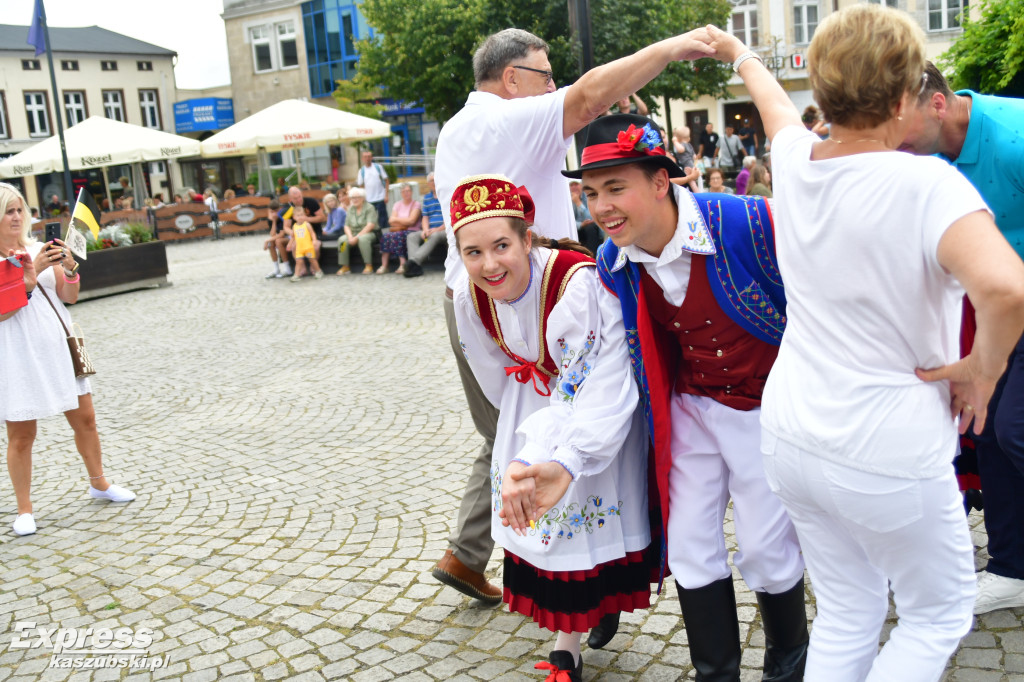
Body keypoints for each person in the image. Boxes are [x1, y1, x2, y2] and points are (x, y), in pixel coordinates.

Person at [708, 7, 1024, 679]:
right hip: (886, 446)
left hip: (791, 432)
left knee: (849, 610)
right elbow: (1008, 291)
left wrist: (740, 52)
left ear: (821, 90)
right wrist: (982, 370)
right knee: (937, 614)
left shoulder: (795, 162)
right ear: (909, 94)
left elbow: (772, 106)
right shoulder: (927, 184)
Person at [431, 25, 717, 612]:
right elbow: (590, 96)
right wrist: (670, 48)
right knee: (548, 424)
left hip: (484, 292)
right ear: (513, 79)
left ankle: (480, 552)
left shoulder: (462, 127)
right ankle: (565, 571)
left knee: (517, 425)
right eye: (544, 75)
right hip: (525, 292)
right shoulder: (504, 118)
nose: (553, 87)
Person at [577, 113, 807, 681]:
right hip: (691, 409)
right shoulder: (612, 261)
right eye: (590, 193)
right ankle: (716, 674)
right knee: (689, 546)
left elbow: (824, 290)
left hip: (765, 410)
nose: (601, 207)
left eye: (615, 188)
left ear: (661, 182)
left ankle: (788, 665)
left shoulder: (751, 221)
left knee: (764, 548)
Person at [450, 174, 650, 682]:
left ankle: (569, 648)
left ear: (527, 237)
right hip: (533, 401)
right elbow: (491, 370)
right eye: (473, 252)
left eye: (501, 245)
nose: (489, 264)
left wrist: (553, 447)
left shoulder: (574, 283)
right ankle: (574, 636)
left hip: (589, 406)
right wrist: (519, 432)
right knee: (547, 527)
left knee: (576, 513)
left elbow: (591, 378)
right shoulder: (467, 297)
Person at [901, 61, 1024, 615]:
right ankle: (1011, 567)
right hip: (1002, 308)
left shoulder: (1015, 140)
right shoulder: (925, 155)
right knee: (990, 432)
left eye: (898, 126)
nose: (892, 142)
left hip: (1013, 300)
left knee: (1015, 429)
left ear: (937, 105)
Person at [0, 183, 136, 537]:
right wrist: (29, 278)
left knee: (86, 418)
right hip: (16, 349)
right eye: (7, 211)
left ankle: (99, 483)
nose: (15, 217)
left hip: (58, 343)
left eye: (18, 210)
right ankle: (24, 510)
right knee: (21, 433)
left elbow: (69, 296)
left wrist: (70, 269)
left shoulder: (40, 247)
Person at [403, 173, 445, 278]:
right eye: (431, 180)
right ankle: (415, 268)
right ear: (428, 184)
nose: (433, 182)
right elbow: (425, 217)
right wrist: (425, 230)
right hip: (430, 230)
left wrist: (437, 229)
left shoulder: (445, 196)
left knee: (435, 235)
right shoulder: (427, 198)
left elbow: (450, 219)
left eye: (435, 180)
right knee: (411, 236)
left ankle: (412, 262)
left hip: (444, 231)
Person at [281, 186, 326, 279]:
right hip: (299, 234)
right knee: (294, 246)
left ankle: (314, 267)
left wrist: (307, 219)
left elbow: (322, 217)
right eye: (295, 198)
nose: (298, 200)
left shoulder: (311, 202)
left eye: (299, 197)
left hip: (314, 231)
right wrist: (292, 233)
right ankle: (302, 269)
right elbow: (286, 226)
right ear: (290, 199)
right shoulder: (289, 209)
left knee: (315, 246)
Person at [379, 182, 420, 275]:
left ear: (411, 192)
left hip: (412, 230)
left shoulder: (416, 204)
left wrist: (397, 219)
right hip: (399, 229)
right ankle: (384, 265)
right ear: (401, 193)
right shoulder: (397, 204)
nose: (406, 193)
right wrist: (405, 220)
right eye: (403, 191)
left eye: (408, 191)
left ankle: (403, 263)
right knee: (385, 236)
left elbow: (412, 221)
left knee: (399, 236)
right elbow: (391, 221)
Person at [338, 187, 378, 275]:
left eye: (357, 197)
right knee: (342, 240)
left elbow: (370, 225)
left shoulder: (369, 207)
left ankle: (368, 265)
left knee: (363, 239)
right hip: (353, 233)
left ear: (363, 198)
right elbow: (346, 226)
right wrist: (350, 237)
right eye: (352, 198)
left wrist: (357, 237)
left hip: (369, 232)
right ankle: (345, 266)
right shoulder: (351, 209)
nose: (355, 200)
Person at [285, 204, 323, 281]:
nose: (300, 217)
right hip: (299, 248)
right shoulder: (294, 226)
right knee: (298, 261)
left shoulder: (307, 224)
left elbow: (312, 233)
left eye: (302, 215)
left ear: (304, 215)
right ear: (294, 217)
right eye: (298, 215)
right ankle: (296, 275)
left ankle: (319, 271)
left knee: (312, 259)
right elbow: (293, 237)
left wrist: (314, 240)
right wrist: (290, 244)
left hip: (308, 247)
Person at [356, 150, 390, 230]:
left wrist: (386, 195)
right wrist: (363, 199)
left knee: (383, 220)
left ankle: (385, 236)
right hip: (369, 200)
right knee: (371, 220)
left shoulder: (378, 167)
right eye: (365, 157)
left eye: (369, 157)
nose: (367, 159)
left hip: (380, 198)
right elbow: (361, 186)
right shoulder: (361, 171)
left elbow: (386, 180)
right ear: (362, 159)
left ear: (372, 158)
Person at [570, 180, 602, 255]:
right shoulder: (566, 200)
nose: (574, 187)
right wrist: (580, 225)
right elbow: (567, 221)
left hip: (592, 229)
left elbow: (592, 218)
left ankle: (593, 256)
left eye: (576, 184)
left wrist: (578, 203)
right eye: (571, 185)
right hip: (577, 229)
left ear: (581, 185)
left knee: (590, 228)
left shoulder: (589, 196)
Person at [263, 198, 292, 279]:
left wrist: (266, 240)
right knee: (271, 243)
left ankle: (288, 268)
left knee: (278, 241)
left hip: (290, 237)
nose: (274, 213)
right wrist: (274, 222)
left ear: (280, 208)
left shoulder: (283, 215)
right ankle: (276, 269)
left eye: (276, 211)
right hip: (282, 237)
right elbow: (272, 234)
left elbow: (282, 234)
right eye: (272, 212)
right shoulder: (272, 219)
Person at [670, 126, 702, 192]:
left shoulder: (682, 144)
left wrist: (675, 142)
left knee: (690, 180)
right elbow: (694, 156)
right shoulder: (689, 145)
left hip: (686, 164)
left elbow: (681, 149)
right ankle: (697, 191)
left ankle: (697, 192)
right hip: (691, 163)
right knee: (692, 181)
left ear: (678, 138)